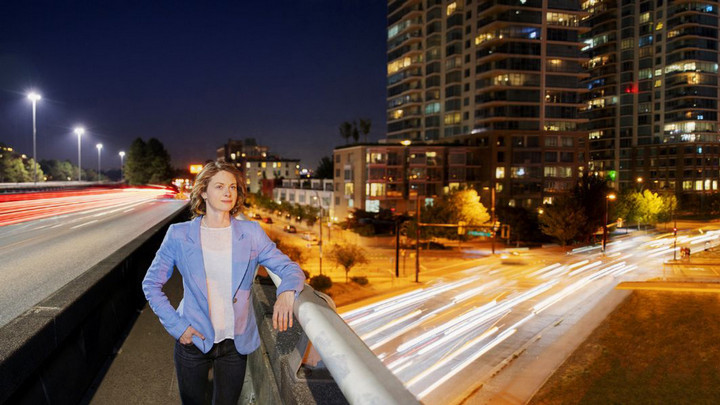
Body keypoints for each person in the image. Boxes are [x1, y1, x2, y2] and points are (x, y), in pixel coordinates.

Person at [142, 161, 305, 405]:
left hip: (235, 344)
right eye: (219, 186)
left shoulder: (250, 233)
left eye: (233, 187)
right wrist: (178, 327)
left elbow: (289, 268)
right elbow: (151, 284)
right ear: (204, 192)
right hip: (193, 339)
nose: (228, 192)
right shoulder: (179, 234)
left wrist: (286, 291)